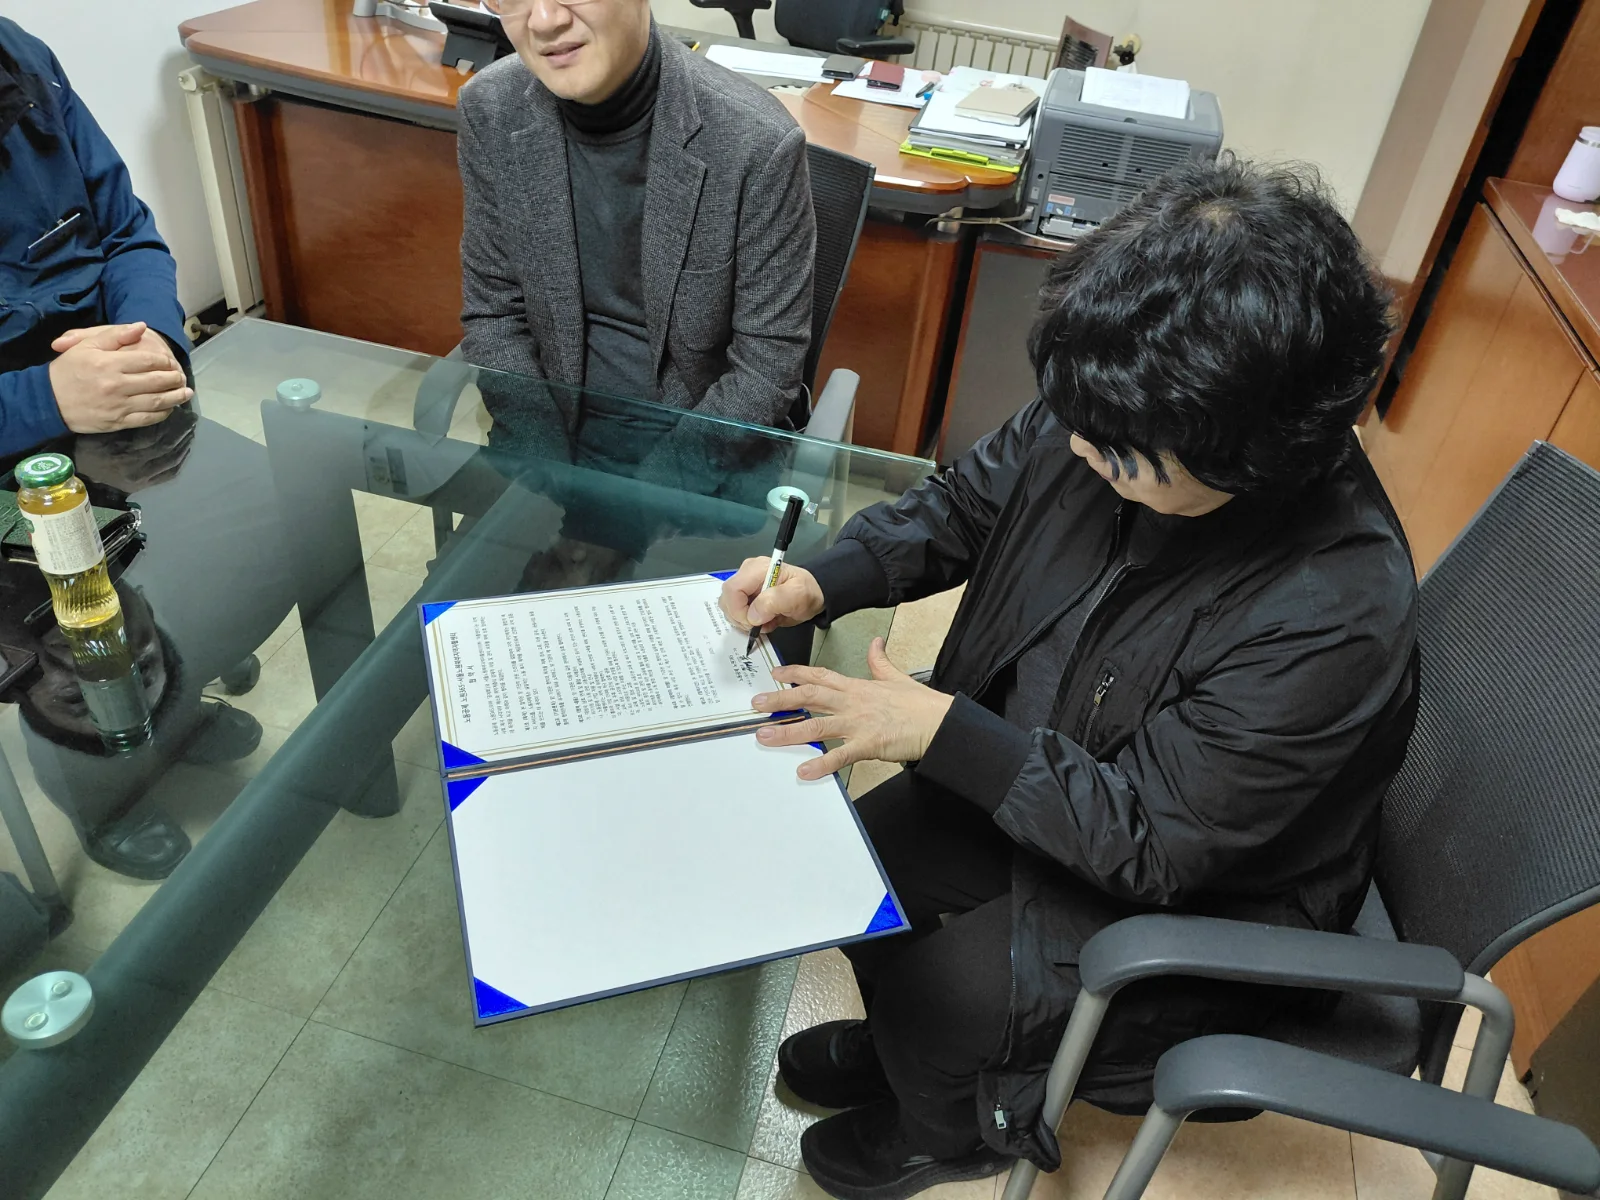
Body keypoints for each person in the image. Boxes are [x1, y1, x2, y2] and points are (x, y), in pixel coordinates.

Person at [720, 156, 1419, 1198]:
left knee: (952, 989)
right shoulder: (1116, 402)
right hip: (1053, 771)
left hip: (1213, 892)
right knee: (859, 873)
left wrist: (943, 733)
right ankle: (913, 1058)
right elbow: (965, 506)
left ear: (1253, 455)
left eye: (1121, 454)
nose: (1081, 452)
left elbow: (1157, 842)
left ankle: (945, 1126)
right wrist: (825, 580)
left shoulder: (1333, 610)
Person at [457, 0, 816, 430]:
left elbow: (766, 370)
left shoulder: (756, 142)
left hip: (697, 440)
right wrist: (540, 454)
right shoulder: (490, 108)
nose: (545, 20)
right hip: (547, 426)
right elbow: (494, 314)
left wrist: (665, 474)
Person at [0, 17, 193, 459]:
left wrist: (151, 334)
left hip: (122, 405)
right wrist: (45, 400)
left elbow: (127, 235)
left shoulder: (22, 58)